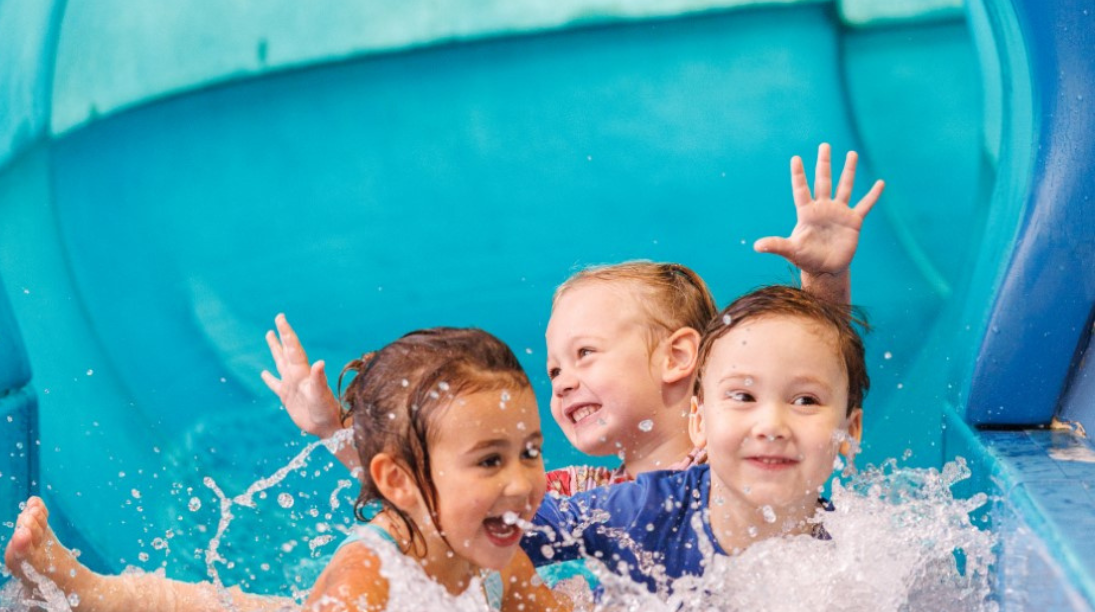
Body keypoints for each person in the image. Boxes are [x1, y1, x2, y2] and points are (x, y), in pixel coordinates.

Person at [263, 143, 883, 495]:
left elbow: (811, 375)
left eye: (585, 355)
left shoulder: (729, 447)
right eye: (555, 366)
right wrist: (333, 431)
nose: (558, 381)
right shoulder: (584, 491)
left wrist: (823, 280)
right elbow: (442, 500)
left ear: (676, 357)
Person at [5, 328, 573, 612]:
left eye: (531, 451)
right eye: (491, 461)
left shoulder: (495, 554)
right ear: (399, 481)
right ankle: (86, 594)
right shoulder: (366, 577)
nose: (523, 484)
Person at [521, 285, 868, 594]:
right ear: (699, 421)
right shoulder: (646, 510)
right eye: (744, 397)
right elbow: (500, 529)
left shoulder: (862, 548)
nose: (771, 425)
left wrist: (827, 280)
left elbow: (815, 355)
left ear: (849, 432)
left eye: (805, 401)